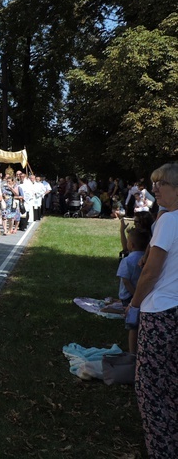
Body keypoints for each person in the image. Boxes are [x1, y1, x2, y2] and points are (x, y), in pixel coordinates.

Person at [129, 163, 178, 458]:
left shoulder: (169, 222)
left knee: (150, 389)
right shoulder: (167, 218)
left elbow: (150, 272)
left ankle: (162, 450)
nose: (155, 188)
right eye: (154, 183)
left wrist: (133, 304)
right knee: (172, 384)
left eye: (163, 184)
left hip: (159, 312)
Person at [116, 228, 150, 354]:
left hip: (130, 296)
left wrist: (134, 295)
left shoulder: (127, 260)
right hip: (144, 294)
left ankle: (132, 352)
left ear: (131, 244)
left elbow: (125, 280)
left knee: (132, 325)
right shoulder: (147, 259)